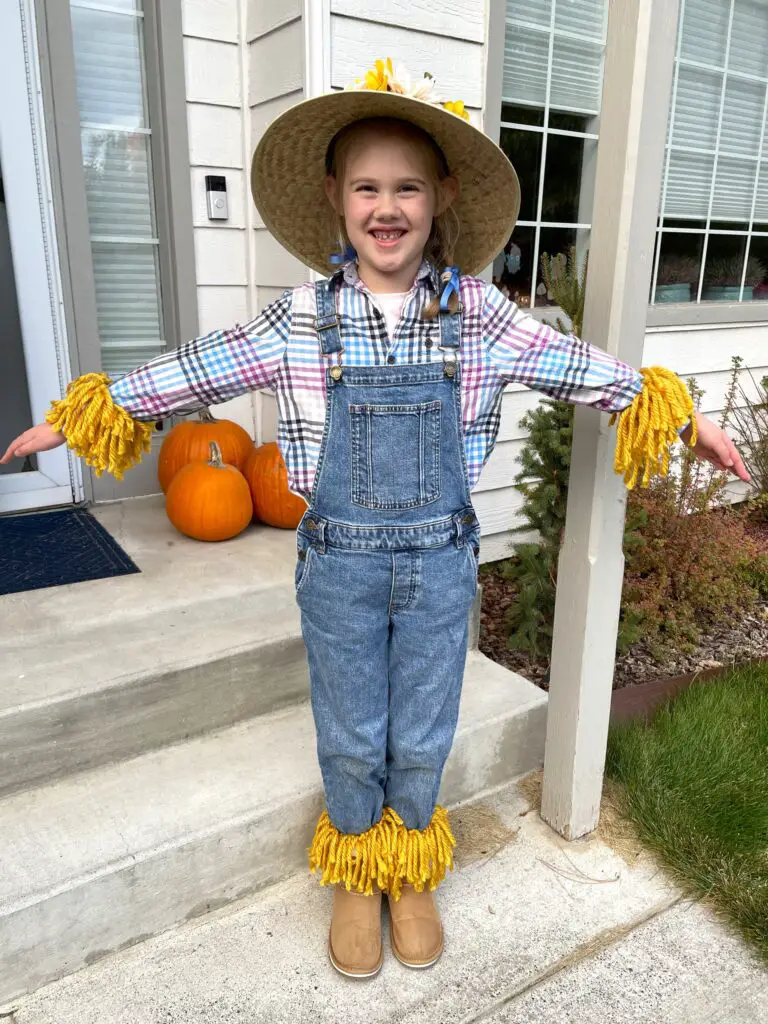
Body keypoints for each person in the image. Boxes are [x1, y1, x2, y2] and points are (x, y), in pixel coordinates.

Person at [1, 57, 749, 979]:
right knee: (352, 729)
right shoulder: (298, 318)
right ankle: (359, 868)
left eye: (405, 187)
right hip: (339, 567)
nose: (385, 207)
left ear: (438, 199)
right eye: (366, 187)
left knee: (423, 728)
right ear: (335, 198)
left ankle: (412, 865)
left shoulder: (479, 313)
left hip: (440, 563)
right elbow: (195, 367)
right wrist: (89, 411)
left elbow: (582, 368)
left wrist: (681, 415)